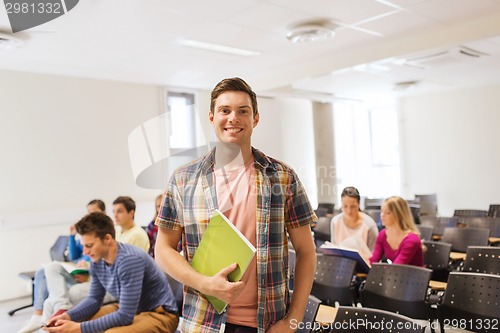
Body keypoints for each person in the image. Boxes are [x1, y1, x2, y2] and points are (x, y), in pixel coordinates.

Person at [154, 77, 317, 333]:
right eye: (225, 110)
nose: (234, 118)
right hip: (203, 323)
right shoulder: (183, 179)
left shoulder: (283, 177)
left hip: (268, 325)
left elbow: (306, 252)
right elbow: (163, 249)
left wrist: (293, 322)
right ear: (211, 117)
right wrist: (205, 283)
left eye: (243, 111)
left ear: (255, 119)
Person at [43, 212, 179, 333]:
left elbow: (125, 316)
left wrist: (78, 329)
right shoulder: (97, 261)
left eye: (89, 246)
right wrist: (68, 316)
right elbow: (94, 299)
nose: (85, 252)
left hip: (161, 315)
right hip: (134, 310)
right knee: (79, 321)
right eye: (84, 246)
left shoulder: (129, 260)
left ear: (107, 239)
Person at [18, 199, 105, 333]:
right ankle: (39, 314)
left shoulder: (104, 232)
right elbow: (73, 255)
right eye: (88, 212)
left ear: (103, 213)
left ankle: (51, 312)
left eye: (93, 212)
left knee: (50, 300)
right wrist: (71, 236)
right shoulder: (86, 232)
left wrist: (87, 268)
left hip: (88, 274)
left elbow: (101, 256)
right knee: (47, 268)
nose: (90, 215)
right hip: (78, 268)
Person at [369, 196, 423, 267]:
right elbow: (373, 261)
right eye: (382, 211)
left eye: (387, 213)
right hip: (396, 275)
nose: (382, 215)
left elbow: (396, 268)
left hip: (412, 276)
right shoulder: (383, 234)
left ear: (398, 215)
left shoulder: (411, 240)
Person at [330, 186, 378, 261]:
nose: (349, 211)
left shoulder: (369, 225)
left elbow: (374, 257)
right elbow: (334, 250)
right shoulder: (335, 222)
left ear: (359, 204)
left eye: (353, 206)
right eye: (345, 206)